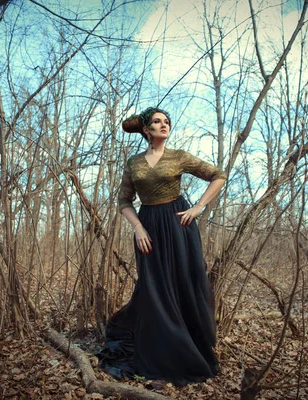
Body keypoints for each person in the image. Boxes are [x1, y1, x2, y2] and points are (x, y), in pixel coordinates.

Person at [97, 107, 227, 385]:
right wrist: (138, 227)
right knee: (154, 288)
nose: (164, 125)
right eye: (157, 121)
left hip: (179, 226)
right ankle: (159, 354)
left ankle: (189, 350)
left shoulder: (178, 157)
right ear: (146, 130)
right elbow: (123, 201)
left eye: (167, 121)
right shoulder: (134, 163)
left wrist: (199, 207)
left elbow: (218, 175)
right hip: (149, 229)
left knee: (182, 283)